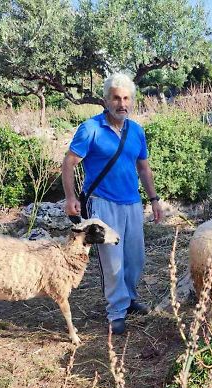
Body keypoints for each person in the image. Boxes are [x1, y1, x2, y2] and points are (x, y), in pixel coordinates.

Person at [62, 73, 162, 335]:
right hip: (102, 204)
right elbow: (69, 162)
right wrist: (71, 197)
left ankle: (129, 299)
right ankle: (116, 311)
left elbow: (143, 167)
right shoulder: (90, 129)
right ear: (106, 100)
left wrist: (154, 199)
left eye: (127, 98)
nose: (122, 104)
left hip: (132, 203)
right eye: (116, 98)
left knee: (135, 258)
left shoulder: (136, 130)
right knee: (112, 262)